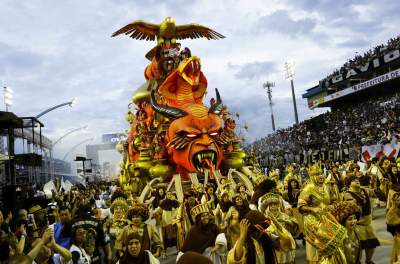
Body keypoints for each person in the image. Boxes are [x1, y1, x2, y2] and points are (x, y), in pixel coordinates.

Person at [227, 210, 292, 264]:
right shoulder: (244, 241)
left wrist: (275, 222)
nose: (257, 233)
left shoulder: (267, 236)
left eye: (259, 231)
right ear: (249, 230)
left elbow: (286, 244)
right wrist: (242, 235)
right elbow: (235, 258)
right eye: (254, 231)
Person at [298, 164, 332, 264]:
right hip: (312, 220)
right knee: (315, 244)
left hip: (327, 218)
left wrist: (332, 205)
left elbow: (333, 199)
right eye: (317, 174)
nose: (321, 176)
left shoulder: (326, 186)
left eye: (321, 173)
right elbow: (301, 206)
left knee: (327, 242)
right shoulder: (308, 188)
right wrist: (312, 209)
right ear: (312, 176)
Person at [344, 176, 380, 264]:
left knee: (372, 243)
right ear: (349, 184)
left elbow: (377, 193)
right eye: (353, 180)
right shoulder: (347, 194)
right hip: (356, 224)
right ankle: (357, 262)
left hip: (368, 223)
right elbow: (352, 206)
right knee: (357, 247)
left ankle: (369, 261)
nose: (357, 181)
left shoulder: (364, 190)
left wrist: (376, 184)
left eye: (357, 180)